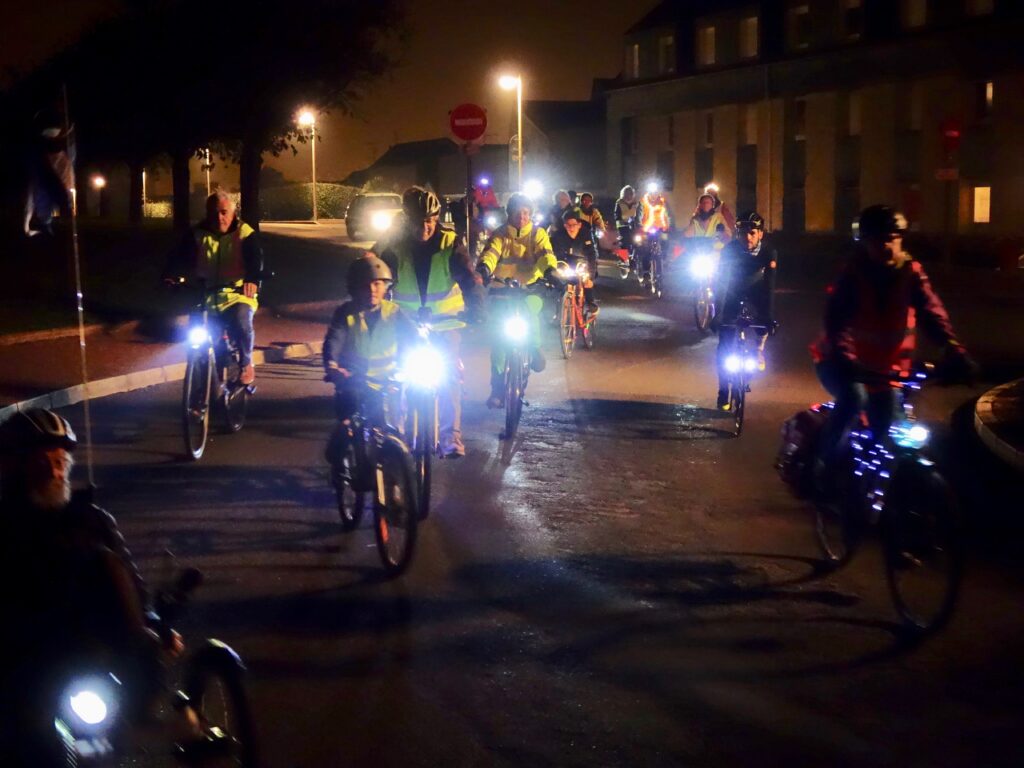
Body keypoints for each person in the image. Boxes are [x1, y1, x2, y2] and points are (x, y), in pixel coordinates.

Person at [0, 409, 161, 764]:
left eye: (61, 462)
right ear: (15, 469)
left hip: (89, 654)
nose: (55, 472)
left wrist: (151, 622)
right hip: (24, 664)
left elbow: (129, 578)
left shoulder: (92, 520)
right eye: (43, 463)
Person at [810, 205, 977, 484]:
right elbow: (837, 322)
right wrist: (846, 358)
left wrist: (954, 350)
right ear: (865, 243)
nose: (886, 244)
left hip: (886, 372)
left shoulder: (910, 273)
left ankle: (880, 491)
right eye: (878, 239)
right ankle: (822, 465)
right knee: (854, 399)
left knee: (891, 433)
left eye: (893, 237)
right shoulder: (852, 275)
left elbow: (931, 313)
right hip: (842, 364)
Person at [371, 186, 479, 457]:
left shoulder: (450, 243)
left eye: (430, 219)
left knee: (450, 376)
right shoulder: (395, 246)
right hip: (406, 324)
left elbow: (469, 279)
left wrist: (478, 310)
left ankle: (450, 437)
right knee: (396, 377)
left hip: (446, 324)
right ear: (407, 220)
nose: (425, 226)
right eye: (419, 220)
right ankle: (395, 434)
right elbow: (379, 277)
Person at [165, 190, 264, 386]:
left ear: (233, 212)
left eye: (223, 212)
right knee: (199, 333)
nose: (219, 217)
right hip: (207, 294)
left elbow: (255, 259)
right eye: (213, 213)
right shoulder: (196, 233)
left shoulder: (245, 233)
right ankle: (204, 379)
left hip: (237, 294)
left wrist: (252, 280)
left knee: (242, 321)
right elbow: (179, 256)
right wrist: (170, 275)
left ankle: (246, 364)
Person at [477, 193, 558, 408]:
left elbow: (546, 254)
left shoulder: (537, 234)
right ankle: (497, 388)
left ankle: (534, 348)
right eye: (517, 212)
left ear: (530, 214)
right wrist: (485, 268)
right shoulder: (500, 234)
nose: (521, 216)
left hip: (529, 289)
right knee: (499, 342)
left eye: (525, 212)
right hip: (502, 291)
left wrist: (550, 270)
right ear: (509, 214)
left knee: (532, 311)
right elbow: (490, 253)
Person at [323, 255, 418, 435]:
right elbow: (335, 338)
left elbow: (413, 337)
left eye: (377, 284)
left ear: (385, 287)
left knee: (395, 428)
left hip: (387, 382)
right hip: (353, 381)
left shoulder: (394, 312)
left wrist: (428, 351)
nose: (372, 289)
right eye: (365, 284)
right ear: (354, 288)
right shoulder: (345, 313)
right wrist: (332, 365)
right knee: (346, 427)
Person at [714, 212, 777, 409]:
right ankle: (724, 389)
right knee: (724, 343)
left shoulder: (769, 253)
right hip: (732, 293)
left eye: (752, 233)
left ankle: (758, 351)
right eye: (742, 233)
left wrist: (768, 317)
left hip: (757, 292)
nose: (747, 238)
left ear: (760, 234)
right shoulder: (729, 251)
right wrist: (718, 314)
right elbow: (722, 283)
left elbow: (769, 286)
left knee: (763, 322)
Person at [550, 207, 600, 313]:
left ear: (579, 225)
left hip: (582, 262)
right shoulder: (558, 235)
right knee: (557, 279)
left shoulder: (586, 234)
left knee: (586, 279)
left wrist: (590, 277)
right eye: (568, 225)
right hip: (565, 261)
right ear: (564, 225)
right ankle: (557, 306)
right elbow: (554, 253)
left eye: (574, 225)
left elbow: (591, 254)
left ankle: (590, 302)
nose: (571, 228)